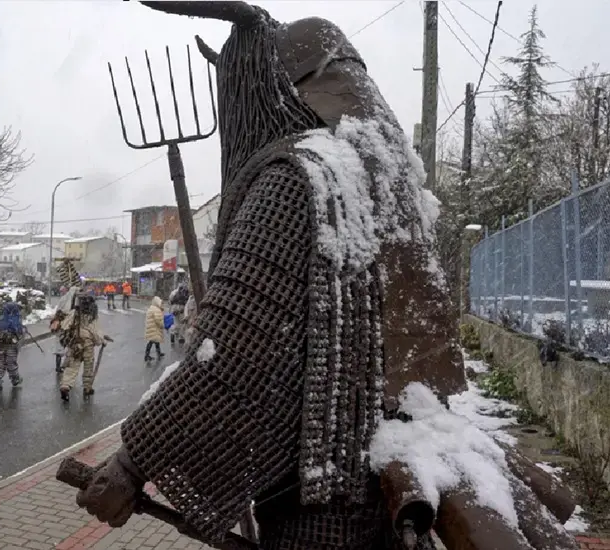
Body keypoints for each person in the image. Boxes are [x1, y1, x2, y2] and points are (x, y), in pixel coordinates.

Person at [71, 5, 575, 549]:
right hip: (387, 487)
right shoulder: (386, 184)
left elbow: (234, 357)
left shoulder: (299, 180)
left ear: (276, 91)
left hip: (325, 508)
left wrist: (132, 460)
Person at [57, 295, 112, 401]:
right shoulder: (92, 316)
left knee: (72, 366)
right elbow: (95, 332)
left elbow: (65, 325)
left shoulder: (74, 313)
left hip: (75, 343)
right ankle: (87, 388)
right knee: (88, 367)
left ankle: (65, 386)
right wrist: (101, 341)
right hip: (88, 344)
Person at [0, 302, 24, 391]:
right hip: (11, 344)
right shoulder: (16, 318)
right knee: (11, 362)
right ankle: (15, 378)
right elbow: (19, 331)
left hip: (0, 344)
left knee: (0, 362)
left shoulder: (1, 318)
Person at [143, 296, 166, 361]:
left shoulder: (152, 308)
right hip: (154, 328)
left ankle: (158, 353)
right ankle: (147, 355)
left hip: (151, 327)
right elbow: (158, 320)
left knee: (156, 341)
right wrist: (163, 325)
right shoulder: (156, 310)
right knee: (152, 341)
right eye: (161, 303)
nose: (161, 304)